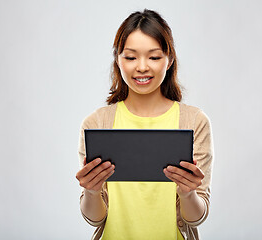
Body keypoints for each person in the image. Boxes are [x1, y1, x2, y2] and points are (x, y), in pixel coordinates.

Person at [76, 9, 213, 240]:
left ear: (169, 60)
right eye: (130, 57)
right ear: (118, 59)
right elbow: (95, 218)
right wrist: (91, 191)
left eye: (154, 57)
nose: (141, 67)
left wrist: (188, 194)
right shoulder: (97, 123)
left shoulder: (194, 122)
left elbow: (196, 216)